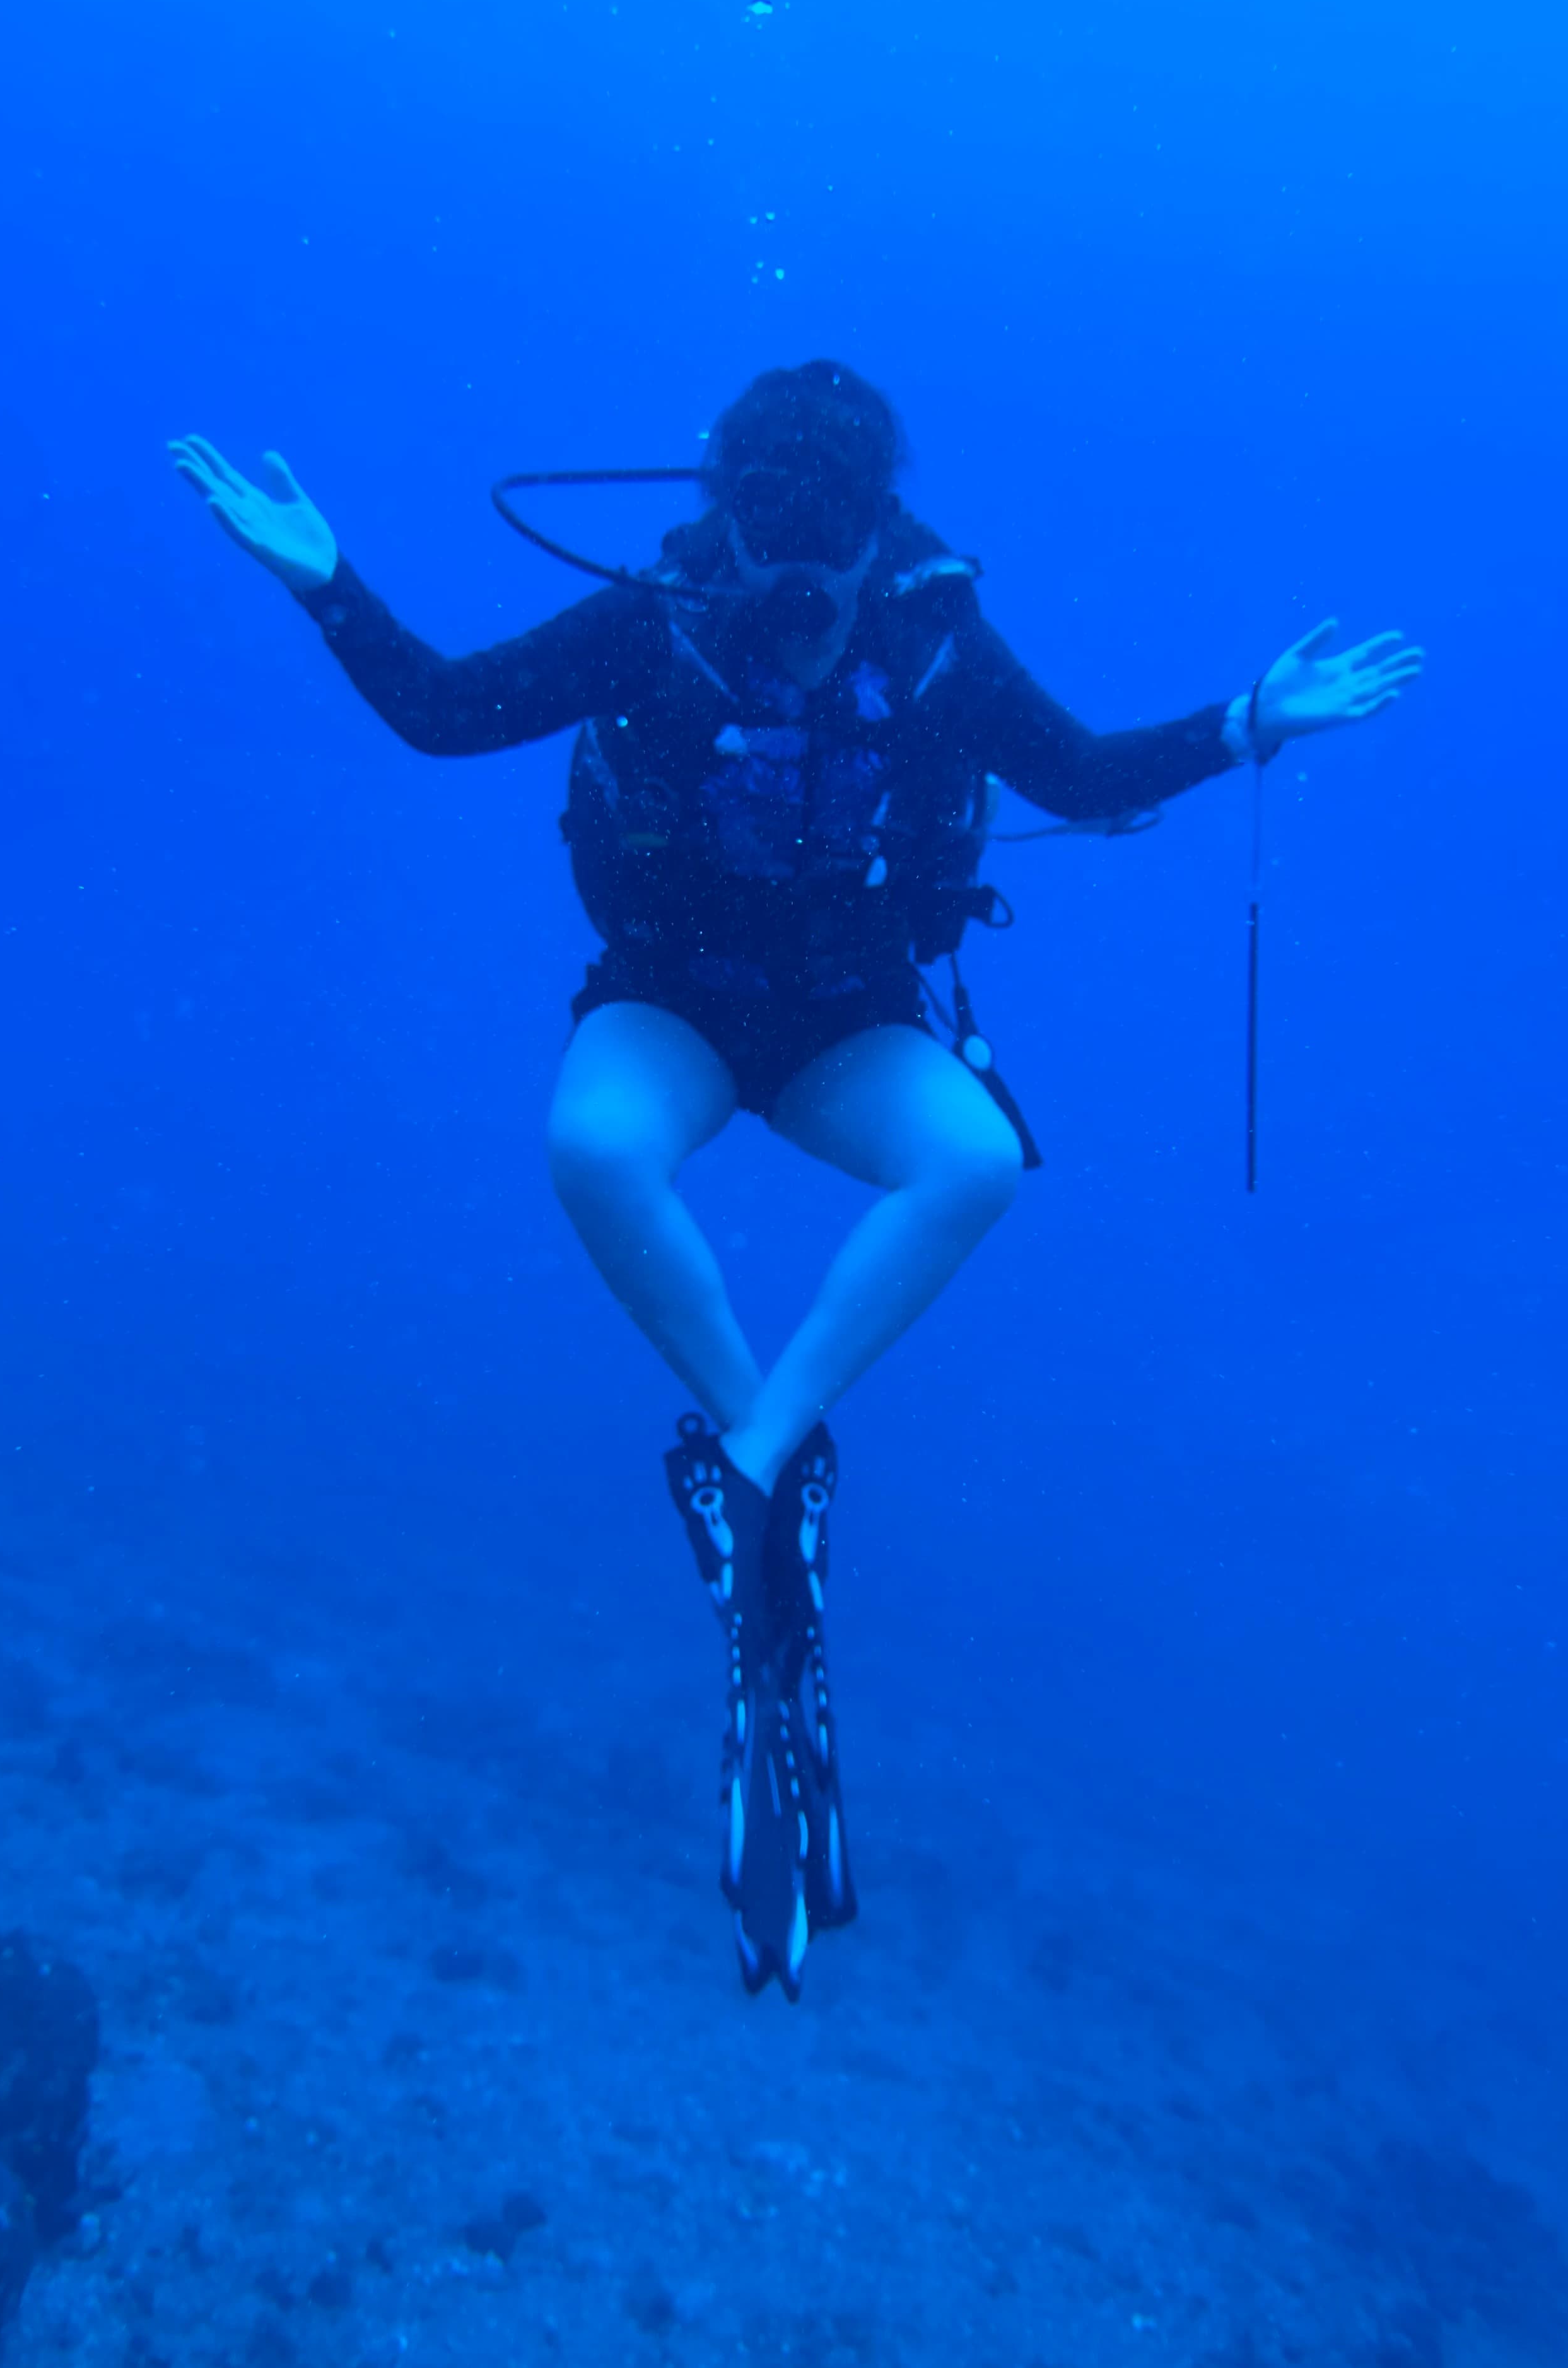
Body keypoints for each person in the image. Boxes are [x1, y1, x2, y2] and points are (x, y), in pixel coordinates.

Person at [170, 361, 1422, 1999]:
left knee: (973, 1161)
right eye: (774, 597)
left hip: (847, 1014)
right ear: (731, 546)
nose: (795, 633)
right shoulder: (654, 615)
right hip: (676, 998)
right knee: (590, 1145)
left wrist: (1246, 722)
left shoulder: (931, 633)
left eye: (823, 604)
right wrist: (328, 582)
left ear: (869, 557)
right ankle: (761, 1460)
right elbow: (447, 712)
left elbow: (1083, 777)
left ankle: (753, 1463)